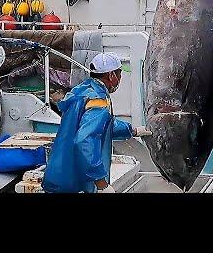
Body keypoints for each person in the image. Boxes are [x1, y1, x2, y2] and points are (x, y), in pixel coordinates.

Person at [42, 52, 151, 193]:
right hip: (74, 183)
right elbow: (85, 141)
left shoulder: (83, 91)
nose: (119, 79)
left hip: (58, 175)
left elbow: (104, 126)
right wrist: (101, 183)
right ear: (111, 75)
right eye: (119, 74)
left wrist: (133, 131)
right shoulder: (98, 101)